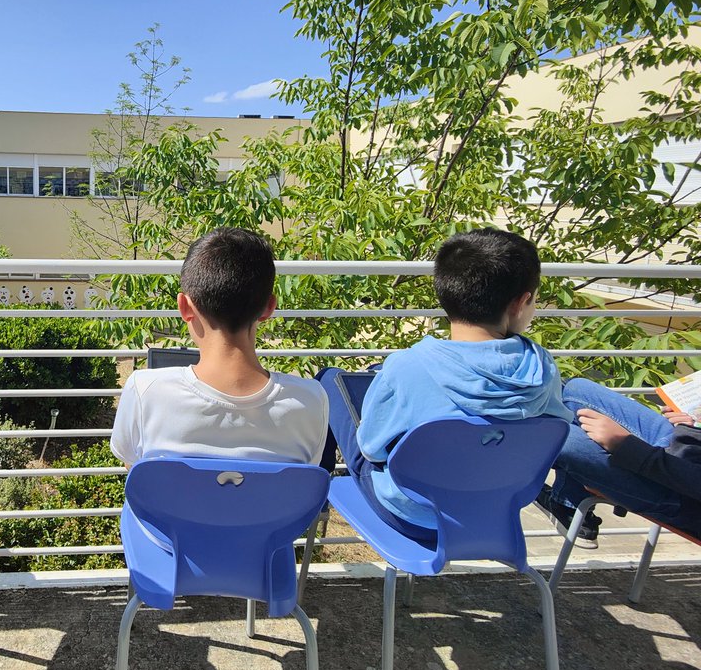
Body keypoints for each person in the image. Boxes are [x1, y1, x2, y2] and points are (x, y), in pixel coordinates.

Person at [319, 228, 575, 543]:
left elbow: (372, 447)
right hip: (490, 511)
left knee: (330, 380)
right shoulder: (543, 368)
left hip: (412, 515)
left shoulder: (409, 366)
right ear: (521, 303)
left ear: (444, 293)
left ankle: (317, 497)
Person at [110, 227, 328, 467]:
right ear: (269, 307)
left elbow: (137, 476)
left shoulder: (146, 391)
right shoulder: (310, 400)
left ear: (184, 307)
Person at [546, 377, 701, 539]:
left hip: (684, 499)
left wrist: (625, 446)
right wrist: (695, 427)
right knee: (575, 389)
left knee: (562, 437)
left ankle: (568, 505)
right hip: (687, 449)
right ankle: (566, 501)